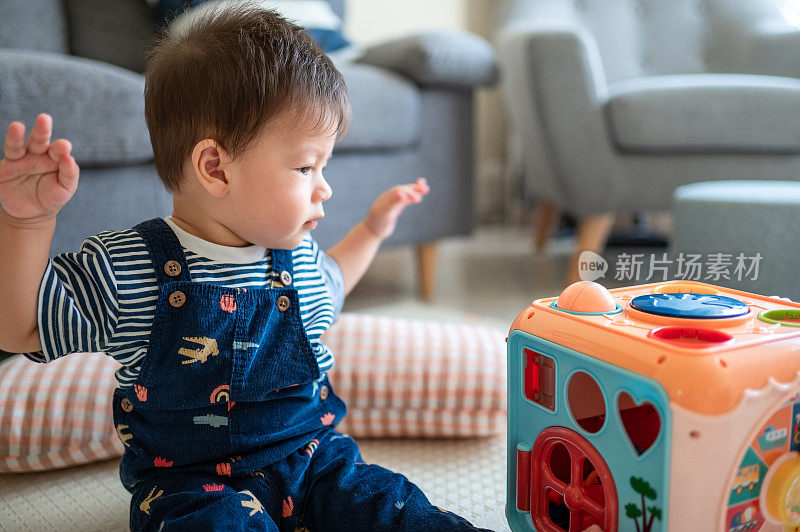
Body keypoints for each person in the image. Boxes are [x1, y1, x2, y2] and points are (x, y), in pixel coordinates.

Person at [0, 4, 491, 531]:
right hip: (189, 484)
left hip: (315, 461)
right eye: (305, 166)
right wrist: (25, 225)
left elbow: (337, 280)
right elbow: (20, 326)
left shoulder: (298, 263)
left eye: (323, 166)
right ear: (215, 168)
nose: (324, 187)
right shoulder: (129, 269)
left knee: (394, 510)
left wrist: (372, 230)